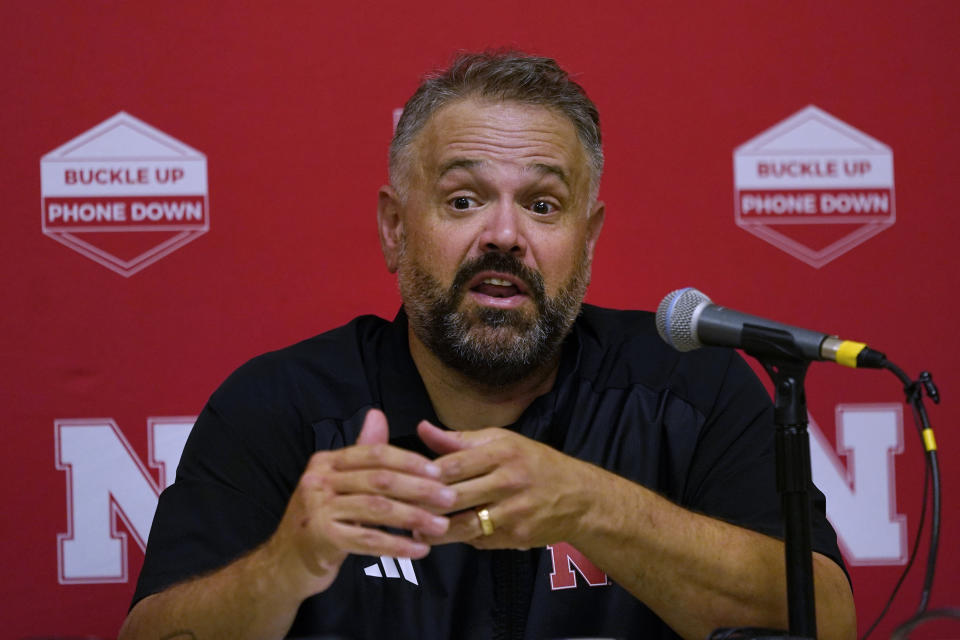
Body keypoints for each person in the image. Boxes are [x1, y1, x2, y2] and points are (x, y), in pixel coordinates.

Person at [119, 51, 856, 640]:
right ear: (395, 229)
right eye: (464, 199)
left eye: (542, 205)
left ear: (588, 241)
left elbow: (828, 618)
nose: (505, 236)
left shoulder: (686, 388)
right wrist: (287, 563)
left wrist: (592, 505)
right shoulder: (283, 405)